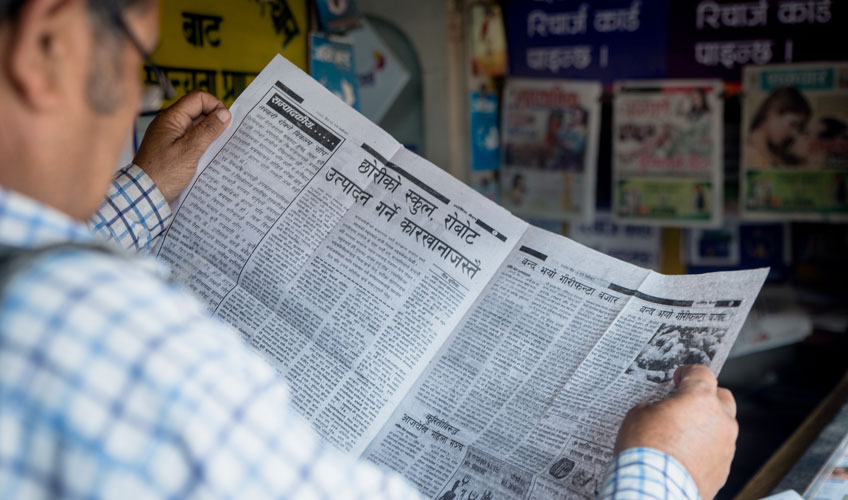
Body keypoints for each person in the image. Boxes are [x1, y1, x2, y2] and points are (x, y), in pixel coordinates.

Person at [0, 1, 739, 499]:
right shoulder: (113, 331)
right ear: (51, 42)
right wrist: (664, 473)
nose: (139, 91)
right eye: (140, 60)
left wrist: (147, 192)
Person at [745, 86, 812, 167]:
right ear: (772, 112)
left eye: (799, 128)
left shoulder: (776, 154)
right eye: (793, 124)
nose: (794, 134)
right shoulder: (749, 154)